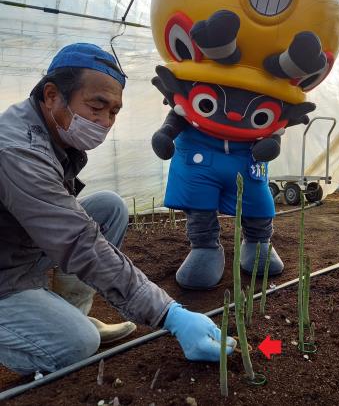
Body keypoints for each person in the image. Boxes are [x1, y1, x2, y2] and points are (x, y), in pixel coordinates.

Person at [0, 43, 235, 376]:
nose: (105, 121)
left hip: (14, 253)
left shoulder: (48, 130)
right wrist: (170, 314)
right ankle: (45, 332)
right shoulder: (17, 150)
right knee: (77, 345)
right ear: (52, 95)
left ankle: (68, 313)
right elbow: (78, 242)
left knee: (108, 207)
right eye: (97, 106)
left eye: (113, 111)